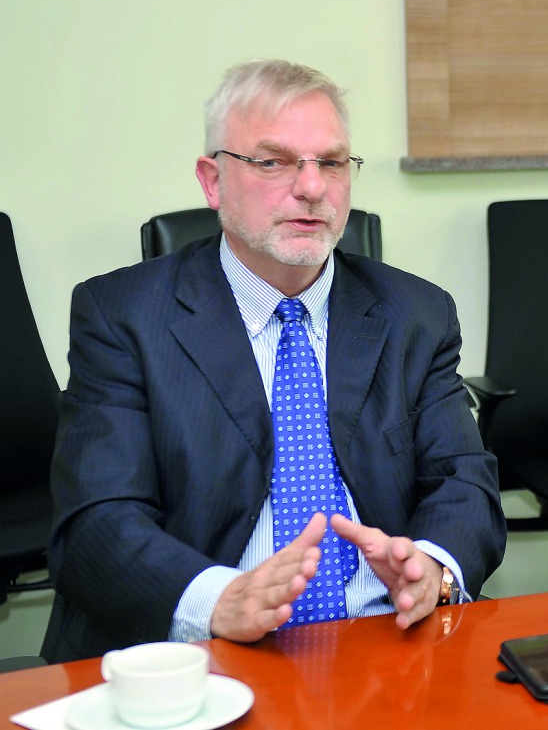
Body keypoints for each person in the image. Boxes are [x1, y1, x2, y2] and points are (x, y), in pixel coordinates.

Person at [42, 60, 506, 662]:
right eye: (273, 161)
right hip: (198, 653)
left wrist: (433, 568)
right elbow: (96, 522)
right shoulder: (123, 314)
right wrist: (218, 600)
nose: (312, 187)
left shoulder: (416, 313)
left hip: (384, 645)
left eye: (331, 162)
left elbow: (463, 479)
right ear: (212, 182)